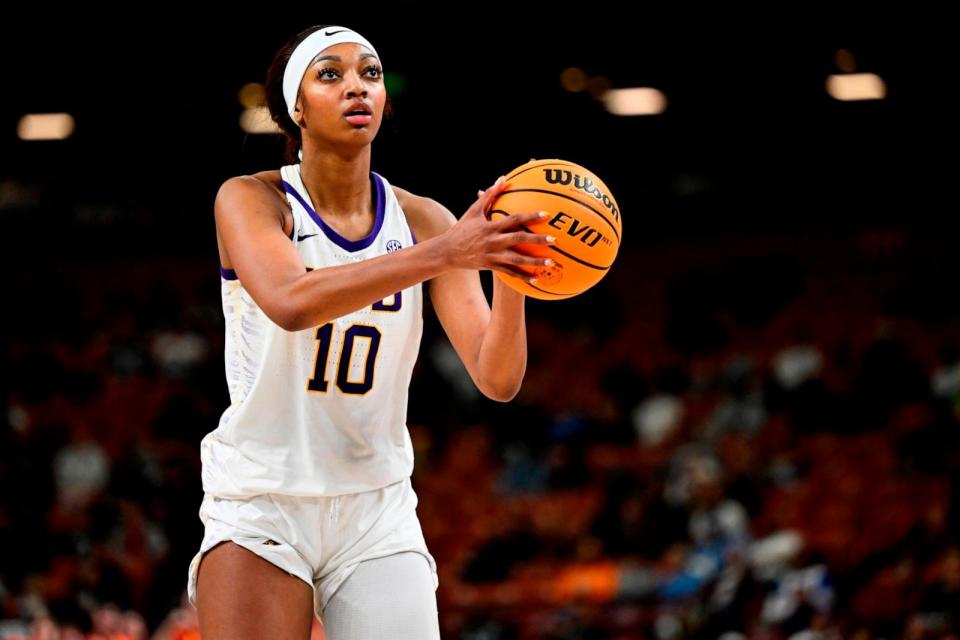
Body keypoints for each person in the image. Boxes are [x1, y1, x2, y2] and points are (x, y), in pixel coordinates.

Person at [187, 24, 555, 639]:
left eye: (371, 73)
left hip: (376, 506)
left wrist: (511, 263)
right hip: (263, 499)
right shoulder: (252, 200)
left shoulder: (424, 218)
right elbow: (290, 301)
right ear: (294, 106)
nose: (356, 86)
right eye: (330, 74)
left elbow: (498, 378)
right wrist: (445, 252)